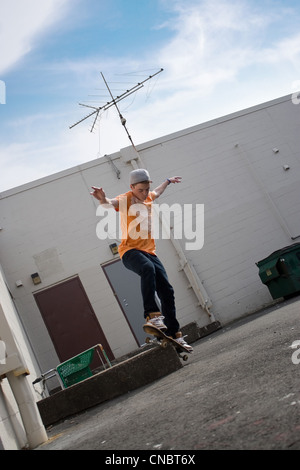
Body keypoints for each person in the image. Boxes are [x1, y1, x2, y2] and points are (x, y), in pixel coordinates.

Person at [91, 168, 193, 352]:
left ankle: (174, 333)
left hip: (150, 252)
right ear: (132, 187)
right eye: (140, 190)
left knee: (167, 290)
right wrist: (102, 199)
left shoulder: (148, 197)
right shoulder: (126, 199)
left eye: (146, 189)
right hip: (130, 252)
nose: (144, 193)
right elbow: (109, 203)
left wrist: (168, 181)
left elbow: (158, 191)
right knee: (147, 269)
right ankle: (152, 315)